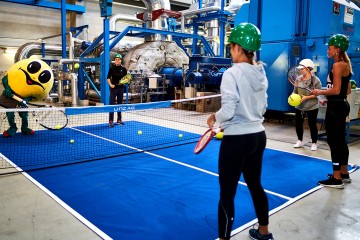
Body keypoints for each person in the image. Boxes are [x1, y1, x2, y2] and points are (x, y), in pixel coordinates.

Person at [207, 23, 274, 240]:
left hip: (237, 140)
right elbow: (263, 106)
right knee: (255, 185)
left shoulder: (232, 73)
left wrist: (214, 118)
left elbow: (228, 109)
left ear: (237, 47)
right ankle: (264, 232)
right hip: (258, 136)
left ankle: (224, 237)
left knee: (227, 192)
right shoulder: (261, 72)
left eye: (231, 46)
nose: (229, 51)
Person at [312, 34, 352, 188]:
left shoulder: (337, 66)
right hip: (341, 105)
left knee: (333, 141)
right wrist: (326, 94)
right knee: (340, 140)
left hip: (335, 107)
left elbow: (335, 90)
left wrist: (319, 92)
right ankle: (344, 172)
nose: (327, 50)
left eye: (330, 48)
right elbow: (346, 90)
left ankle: (336, 178)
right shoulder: (345, 65)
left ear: (337, 50)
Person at [292, 59, 322, 151]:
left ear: (309, 69)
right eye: (300, 69)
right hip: (300, 106)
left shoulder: (315, 80)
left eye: (302, 69)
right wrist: (293, 95)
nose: (300, 70)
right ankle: (299, 140)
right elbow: (295, 91)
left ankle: (314, 143)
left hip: (312, 106)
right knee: (298, 124)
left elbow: (318, 93)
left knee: (312, 124)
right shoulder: (298, 79)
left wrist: (306, 97)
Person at [107, 53, 127, 127]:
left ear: (121, 61)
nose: (117, 61)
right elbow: (108, 78)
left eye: (118, 59)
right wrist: (111, 85)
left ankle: (119, 119)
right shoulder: (112, 69)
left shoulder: (124, 69)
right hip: (113, 88)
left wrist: (124, 82)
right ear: (114, 61)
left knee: (119, 104)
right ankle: (111, 120)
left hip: (121, 88)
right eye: (116, 59)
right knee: (112, 104)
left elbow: (126, 79)